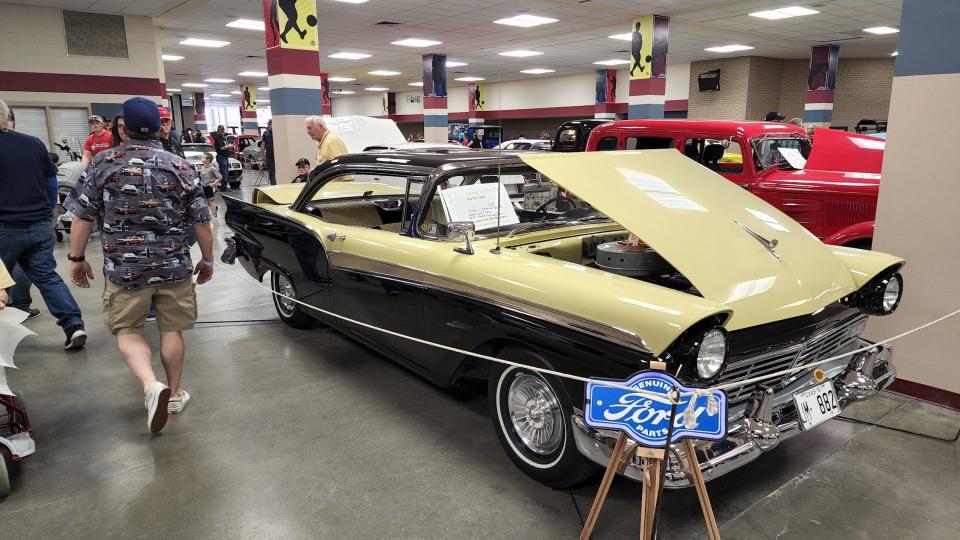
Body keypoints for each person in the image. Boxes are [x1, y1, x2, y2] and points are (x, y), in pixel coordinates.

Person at [64, 97, 214, 434]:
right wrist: (207, 259)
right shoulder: (180, 165)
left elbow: (82, 215)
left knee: (128, 329)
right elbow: (202, 221)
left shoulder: (103, 163)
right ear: (160, 127)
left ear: (123, 127)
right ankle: (174, 394)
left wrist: (76, 259)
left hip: (124, 269)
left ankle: (150, 386)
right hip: (174, 266)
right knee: (171, 329)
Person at [0, 99, 87, 349]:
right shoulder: (33, 143)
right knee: (47, 276)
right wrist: (48, 210)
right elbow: (51, 183)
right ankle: (74, 326)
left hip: (4, 227)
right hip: (40, 224)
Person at [199, 152, 221, 216]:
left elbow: (220, 177)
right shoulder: (202, 168)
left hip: (210, 186)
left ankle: (214, 214)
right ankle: (214, 207)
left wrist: (214, 183)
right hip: (204, 186)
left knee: (211, 200)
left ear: (208, 160)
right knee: (207, 200)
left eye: (203, 158)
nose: (201, 159)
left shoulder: (213, 168)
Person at [211, 125, 232, 191]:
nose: (222, 133)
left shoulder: (224, 138)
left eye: (223, 131)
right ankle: (224, 188)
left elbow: (225, 146)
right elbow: (221, 148)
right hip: (221, 157)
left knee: (227, 173)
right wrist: (228, 146)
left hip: (225, 157)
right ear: (218, 131)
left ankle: (225, 186)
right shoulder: (217, 138)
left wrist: (229, 147)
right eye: (221, 131)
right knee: (224, 173)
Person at [262, 119, 276, 185]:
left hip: (278, 157)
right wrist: (261, 156)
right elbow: (263, 144)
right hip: (269, 157)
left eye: (269, 124)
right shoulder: (266, 133)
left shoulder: (277, 132)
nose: (268, 126)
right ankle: (274, 185)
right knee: (271, 173)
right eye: (268, 124)